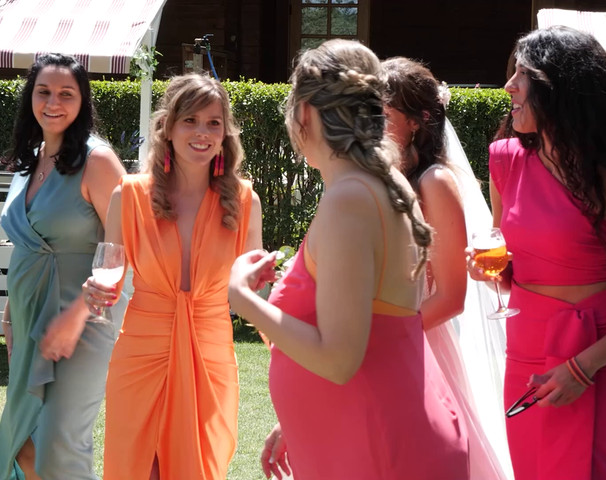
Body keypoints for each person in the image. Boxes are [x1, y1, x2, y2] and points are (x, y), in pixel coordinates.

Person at [228, 39, 469, 480]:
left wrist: (244, 301)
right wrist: (301, 421)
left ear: (303, 113)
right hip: (370, 433)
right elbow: (374, 334)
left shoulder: (352, 198)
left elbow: (340, 359)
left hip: (376, 447)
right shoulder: (377, 186)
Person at [468, 26, 606, 480]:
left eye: (523, 75)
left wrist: (582, 369)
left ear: (559, 88)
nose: (509, 86)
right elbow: (507, 252)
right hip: (525, 346)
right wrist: (493, 271)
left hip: (597, 353)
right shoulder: (503, 158)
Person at [83, 73, 262, 480]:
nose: (202, 133)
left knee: (198, 468)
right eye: (190, 120)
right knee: (140, 469)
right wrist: (96, 291)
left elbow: (251, 292)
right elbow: (108, 274)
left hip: (210, 350)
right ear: (168, 127)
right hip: (141, 350)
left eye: (213, 122)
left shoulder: (245, 200)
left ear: (225, 133)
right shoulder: (128, 195)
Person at [382, 56, 512, 480]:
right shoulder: (381, 178)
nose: (368, 122)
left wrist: (387, 335)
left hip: (420, 342)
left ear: (416, 122)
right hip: (383, 337)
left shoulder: (434, 181)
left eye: (381, 112)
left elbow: (453, 297)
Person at [0, 53, 127, 480]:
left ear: (82, 102)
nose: (53, 102)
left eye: (66, 94)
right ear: (30, 97)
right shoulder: (29, 159)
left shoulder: (99, 161)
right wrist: (10, 317)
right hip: (28, 318)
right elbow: (25, 246)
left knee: (59, 445)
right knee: (23, 445)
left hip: (85, 321)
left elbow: (124, 253)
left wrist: (77, 318)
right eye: (44, 91)